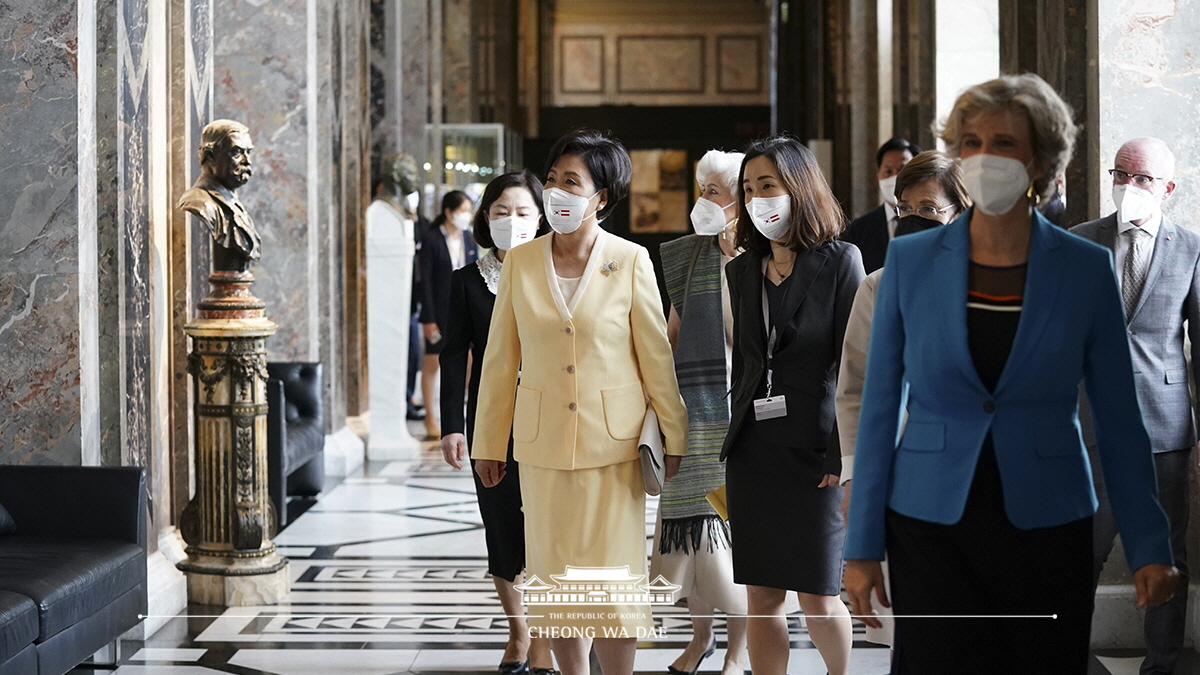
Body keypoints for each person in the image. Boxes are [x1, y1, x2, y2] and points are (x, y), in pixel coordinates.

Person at [843, 73, 1178, 674]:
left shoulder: (1084, 267)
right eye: (969, 142)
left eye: (1003, 143)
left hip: (1048, 520)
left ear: (1042, 161)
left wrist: (1151, 543)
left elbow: (1120, 418)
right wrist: (861, 544)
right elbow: (878, 408)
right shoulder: (911, 262)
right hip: (929, 520)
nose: (982, 157)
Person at [472, 129, 688, 675]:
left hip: (613, 450)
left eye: (572, 181)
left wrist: (676, 437)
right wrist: (488, 443)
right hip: (541, 450)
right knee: (559, 588)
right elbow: (500, 361)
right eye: (551, 179)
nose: (556, 192)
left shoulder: (631, 259)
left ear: (602, 198)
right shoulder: (521, 263)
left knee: (613, 590)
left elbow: (656, 360)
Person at [722, 135, 864, 675]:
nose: (758, 198)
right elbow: (747, 365)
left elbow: (852, 364)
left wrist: (842, 454)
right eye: (750, 188)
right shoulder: (741, 271)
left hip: (816, 454)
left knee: (819, 597)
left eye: (769, 186)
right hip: (755, 454)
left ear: (798, 189)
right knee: (762, 599)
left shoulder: (840, 261)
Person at [834, 149, 971, 655]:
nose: (912, 220)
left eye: (928, 209)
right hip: (904, 478)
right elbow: (853, 390)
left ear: (963, 211)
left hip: (985, 480)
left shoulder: (999, 286)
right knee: (912, 634)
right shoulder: (878, 287)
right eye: (903, 209)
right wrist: (853, 476)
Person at [1070, 137, 1198, 675]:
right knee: (1079, 554)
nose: (1129, 186)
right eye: (1121, 174)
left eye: (1143, 178)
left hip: (1165, 432)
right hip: (1092, 428)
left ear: (1167, 188)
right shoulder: (1078, 242)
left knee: (1165, 557)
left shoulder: (1191, 249)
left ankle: (1162, 665)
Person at [439, 171, 553, 675]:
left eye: (523, 211)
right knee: (504, 526)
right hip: (494, 422)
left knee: (552, 527)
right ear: (485, 218)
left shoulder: (558, 270)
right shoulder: (467, 281)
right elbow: (452, 356)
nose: (512, 220)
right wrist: (451, 424)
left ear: (542, 216)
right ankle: (519, 632)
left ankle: (552, 635)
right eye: (501, 211)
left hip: (554, 416)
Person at [654, 149, 749, 675]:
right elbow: (671, 330)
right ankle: (700, 641)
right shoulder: (688, 254)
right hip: (690, 411)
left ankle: (737, 651)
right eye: (703, 190)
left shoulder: (761, 255)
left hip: (739, 414)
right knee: (689, 533)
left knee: (731, 539)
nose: (704, 201)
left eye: (714, 192)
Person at [419, 190, 478, 439]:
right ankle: (430, 416)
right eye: (462, 211)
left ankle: (462, 412)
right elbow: (425, 282)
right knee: (433, 362)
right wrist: (428, 318)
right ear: (448, 212)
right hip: (439, 311)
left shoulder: (468, 238)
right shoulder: (432, 239)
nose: (466, 216)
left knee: (469, 361)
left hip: (465, 309)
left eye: (468, 211)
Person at [178, 119, 260, 272]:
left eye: (248, 152)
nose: (247, 161)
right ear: (210, 156)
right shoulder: (199, 204)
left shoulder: (231, 201)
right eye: (237, 152)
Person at [841, 137, 921, 274]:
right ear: (878, 176)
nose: (895, 177)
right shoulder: (857, 230)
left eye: (903, 170)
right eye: (888, 171)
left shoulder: (930, 222)